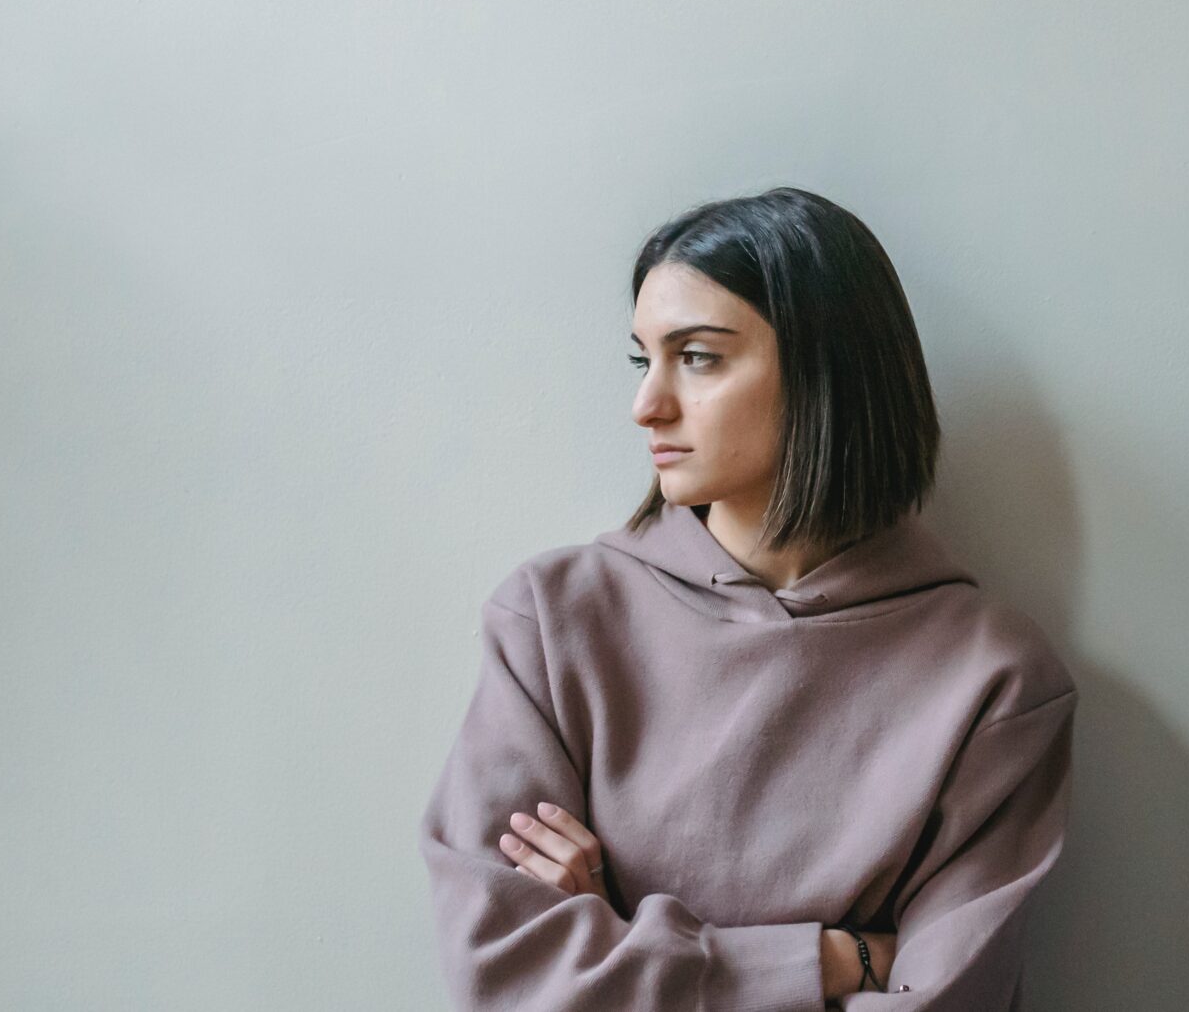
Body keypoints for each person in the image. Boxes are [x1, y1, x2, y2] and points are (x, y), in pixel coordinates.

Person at [422, 188, 1074, 1010]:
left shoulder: (994, 681)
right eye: (643, 358)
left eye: (697, 356)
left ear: (826, 370)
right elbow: (505, 974)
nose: (646, 404)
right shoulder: (551, 622)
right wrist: (836, 962)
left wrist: (618, 936)